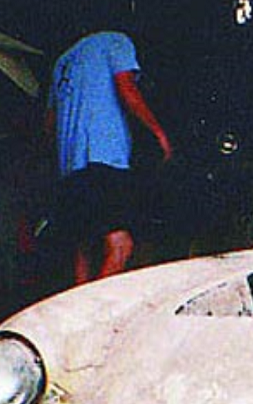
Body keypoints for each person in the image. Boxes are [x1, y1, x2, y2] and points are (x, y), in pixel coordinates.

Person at [46, 30, 172, 285]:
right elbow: (126, 88)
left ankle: (77, 319)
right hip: (104, 157)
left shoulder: (64, 61)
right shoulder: (116, 41)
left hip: (70, 166)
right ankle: (97, 318)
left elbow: (49, 123)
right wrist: (158, 132)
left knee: (84, 249)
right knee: (121, 246)